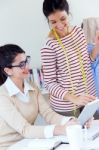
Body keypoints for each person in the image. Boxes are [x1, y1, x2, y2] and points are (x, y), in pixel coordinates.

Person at [0, 44, 78, 150]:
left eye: (26, 60)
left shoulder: (32, 86)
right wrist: (60, 129)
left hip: (29, 142)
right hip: (10, 146)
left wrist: (71, 122)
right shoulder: (2, 95)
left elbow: (48, 114)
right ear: (8, 70)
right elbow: (25, 130)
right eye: (21, 64)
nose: (27, 66)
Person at [41, 0, 97, 117]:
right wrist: (74, 98)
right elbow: (50, 83)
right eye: (53, 22)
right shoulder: (49, 46)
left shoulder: (79, 32)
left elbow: (88, 62)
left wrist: (97, 46)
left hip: (89, 100)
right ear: (48, 21)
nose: (59, 25)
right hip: (67, 107)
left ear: (68, 14)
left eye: (63, 19)